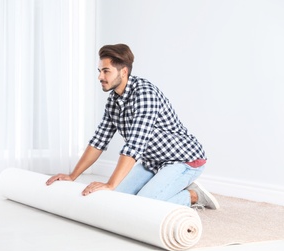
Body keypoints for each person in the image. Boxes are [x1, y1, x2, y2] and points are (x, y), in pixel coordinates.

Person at [46, 44, 219, 210]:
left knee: (141, 205)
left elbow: (134, 145)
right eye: (99, 71)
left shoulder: (145, 94)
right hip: (153, 161)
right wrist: (72, 176)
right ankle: (169, 187)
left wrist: (110, 184)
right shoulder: (114, 100)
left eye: (106, 71)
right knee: (116, 200)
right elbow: (98, 141)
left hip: (184, 160)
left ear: (123, 71)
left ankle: (192, 196)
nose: (100, 77)